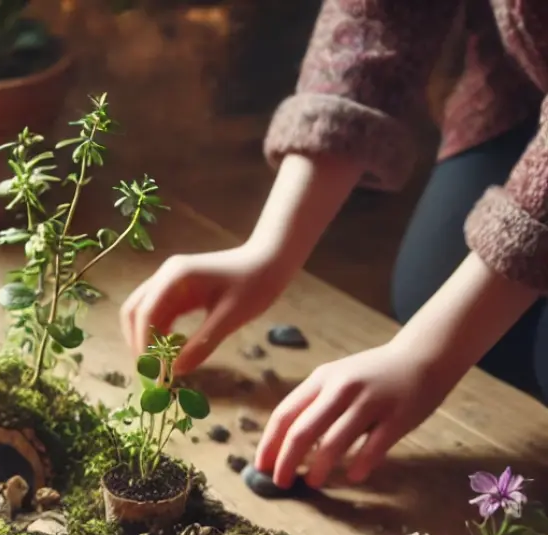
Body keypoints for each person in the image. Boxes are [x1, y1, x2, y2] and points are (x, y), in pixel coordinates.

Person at [121, 1, 548, 492]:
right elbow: (380, 17)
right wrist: (270, 249)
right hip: (518, 86)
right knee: (425, 294)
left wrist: (428, 354)